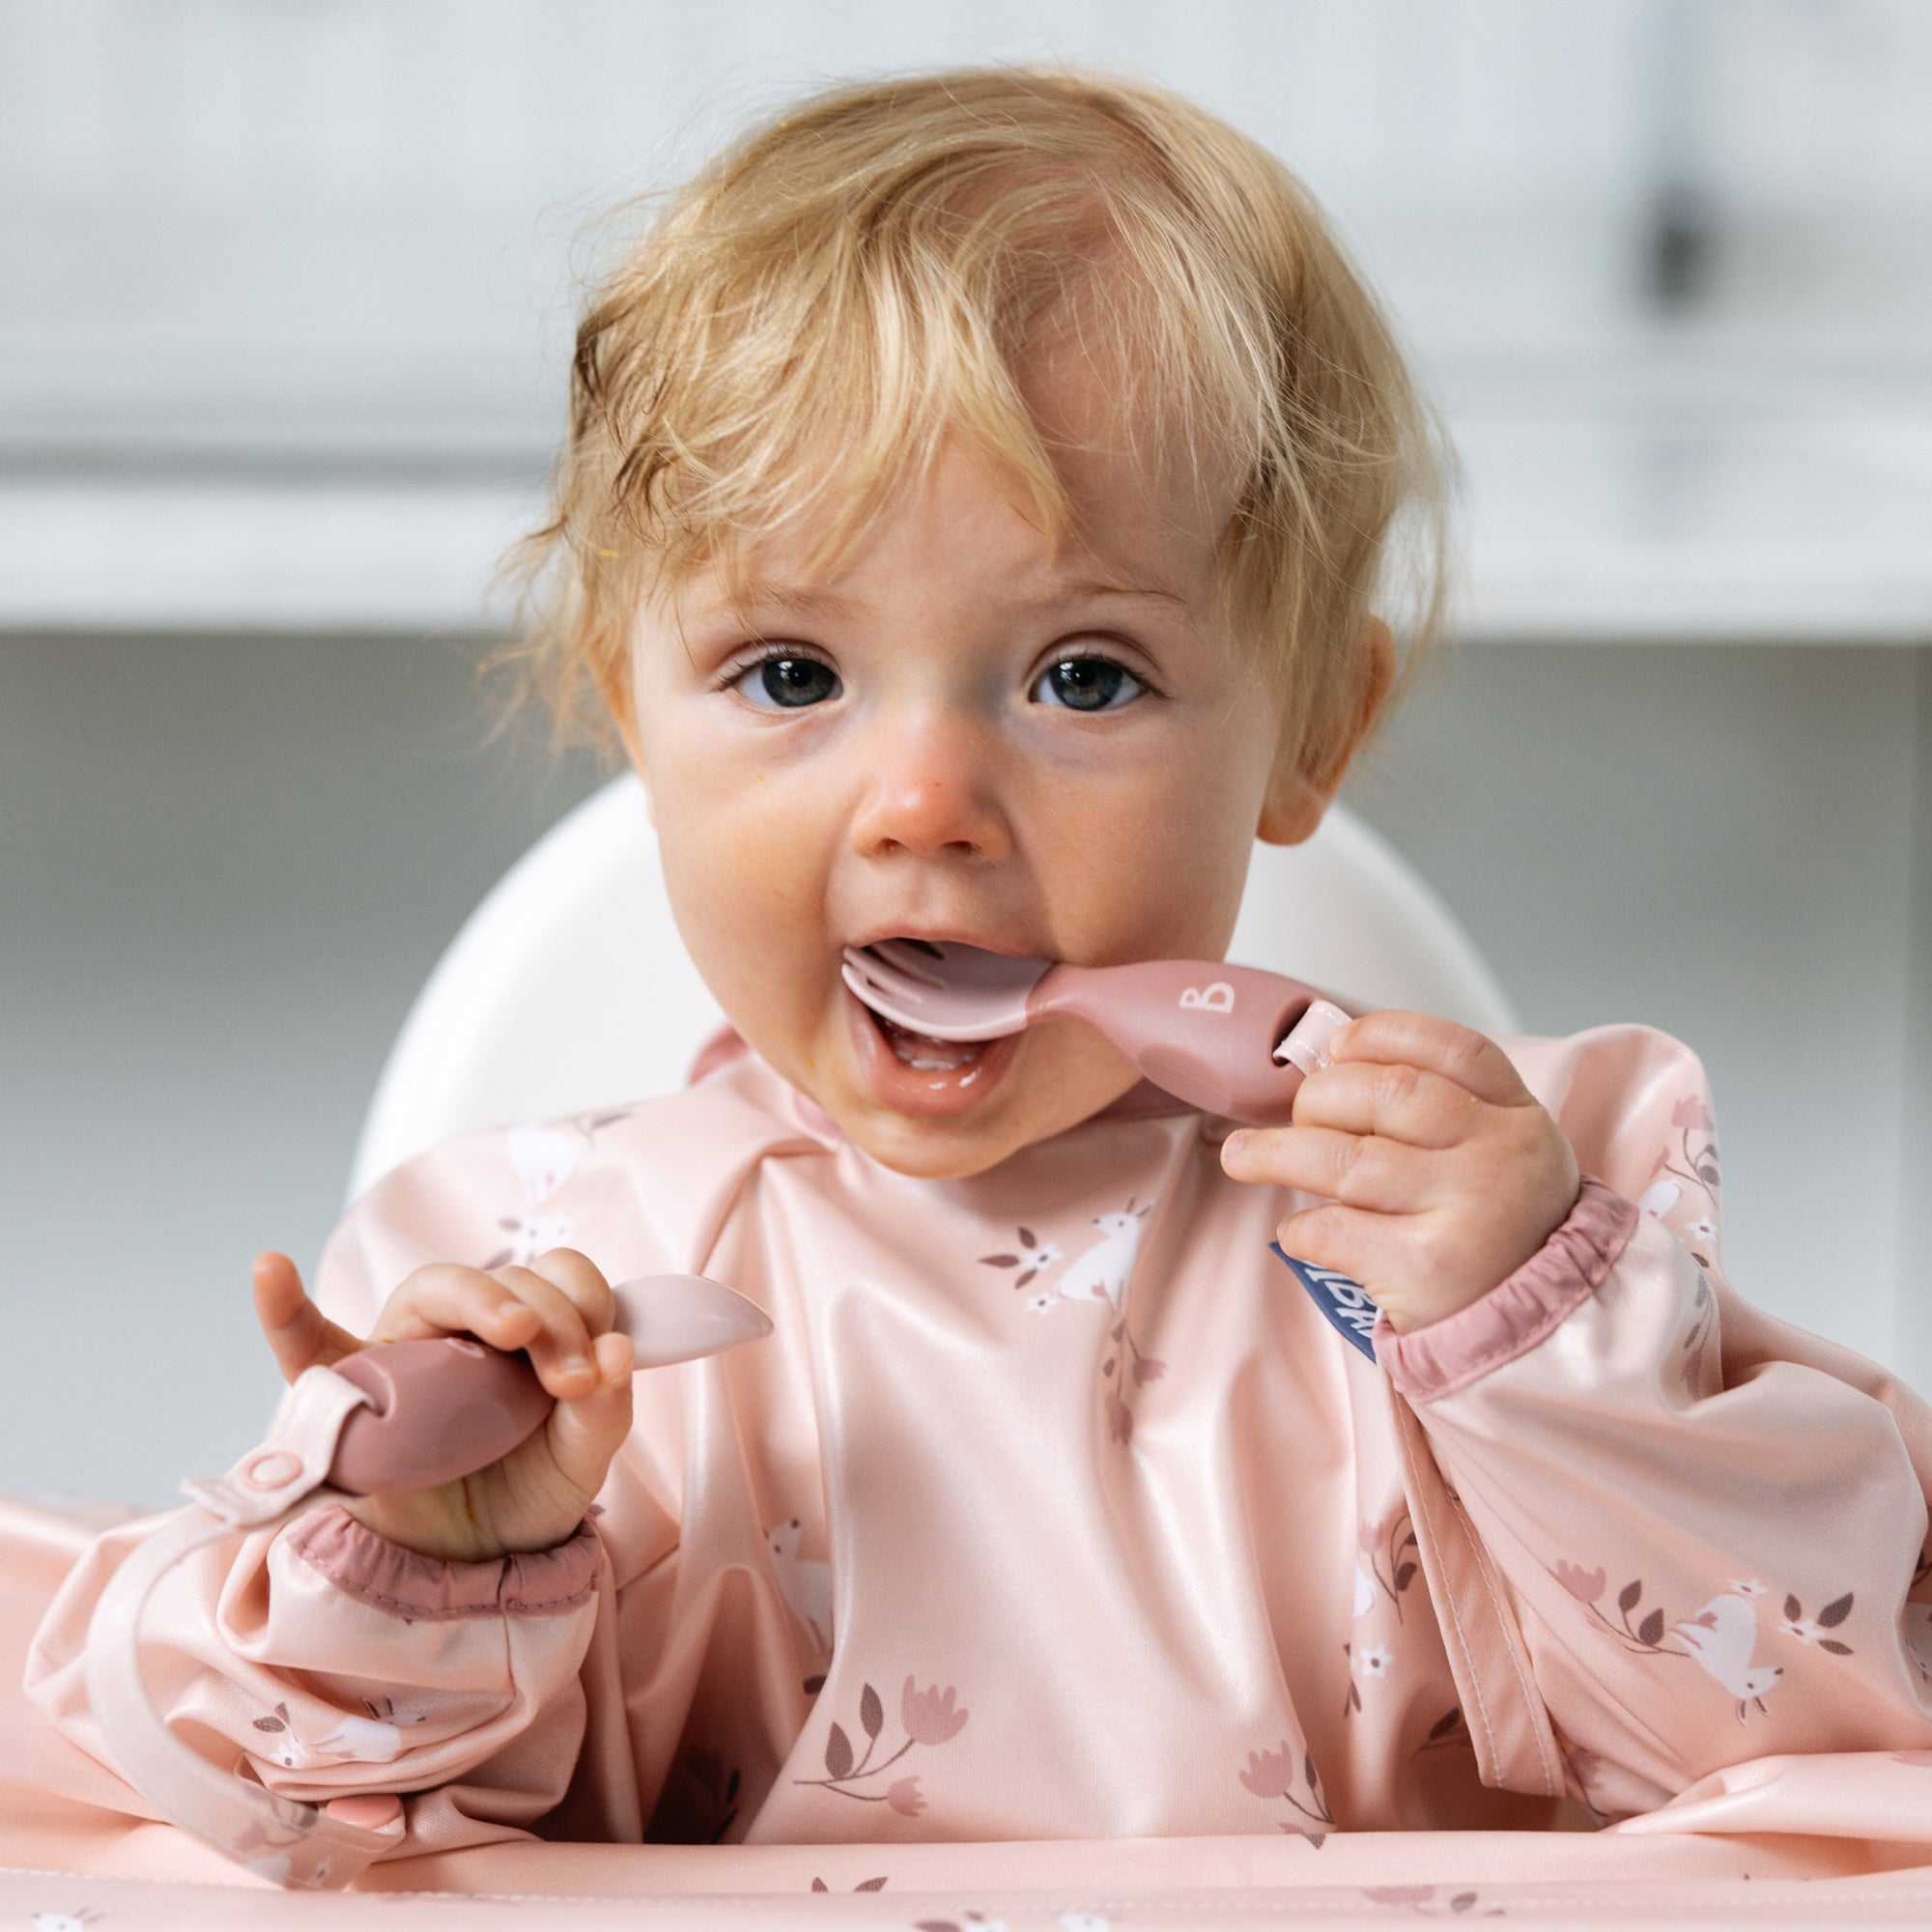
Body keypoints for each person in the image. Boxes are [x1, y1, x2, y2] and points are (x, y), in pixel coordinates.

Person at [23, 65, 1932, 1865]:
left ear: (1306, 734)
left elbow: (1814, 1739)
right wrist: (440, 1565)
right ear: (637, 712)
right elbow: (303, 1826)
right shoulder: (536, 1294)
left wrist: (1533, 1337)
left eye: (1080, 674)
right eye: (790, 675)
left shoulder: (1511, 1218)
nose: (925, 799)